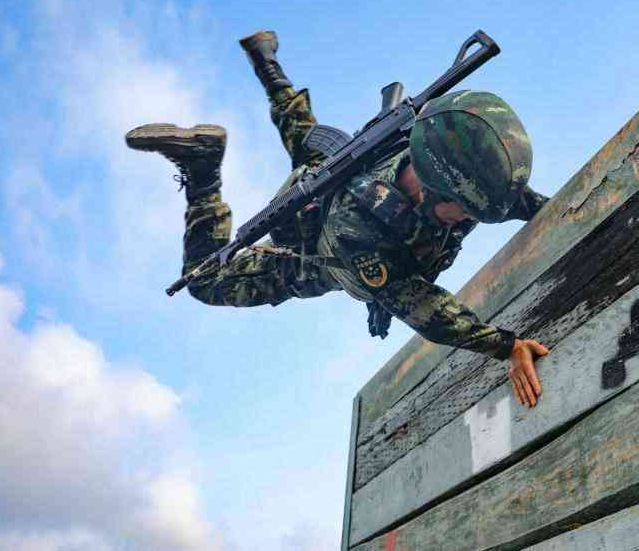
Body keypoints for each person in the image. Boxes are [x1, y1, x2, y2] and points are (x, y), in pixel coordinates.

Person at [125, 31, 551, 407]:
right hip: (308, 248)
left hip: (337, 173)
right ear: (431, 189)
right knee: (205, 281)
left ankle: (266, 61)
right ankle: (203, 168)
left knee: (306, 139)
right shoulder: (359, 234)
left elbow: (511, 198)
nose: (469, 220)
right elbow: (426, 308)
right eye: (467, 211)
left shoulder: (444, 159)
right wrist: (507, 346)